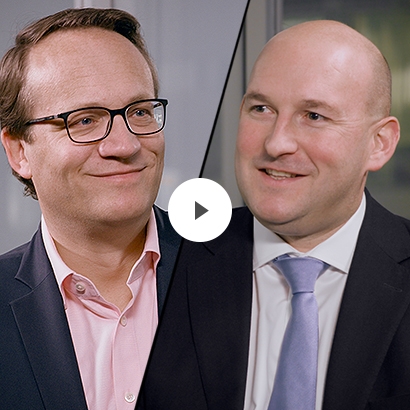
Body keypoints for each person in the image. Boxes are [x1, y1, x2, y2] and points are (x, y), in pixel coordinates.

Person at [136, 20, 410, 410]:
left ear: (379, 144)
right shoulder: (162, 263)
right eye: (261, 109)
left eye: (314, 116)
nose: (277, 142)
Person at [0, 8, 180, 410]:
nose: (125, 145)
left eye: (139, 112)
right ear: (19, 151)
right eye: (84, 120)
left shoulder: (247, 275)